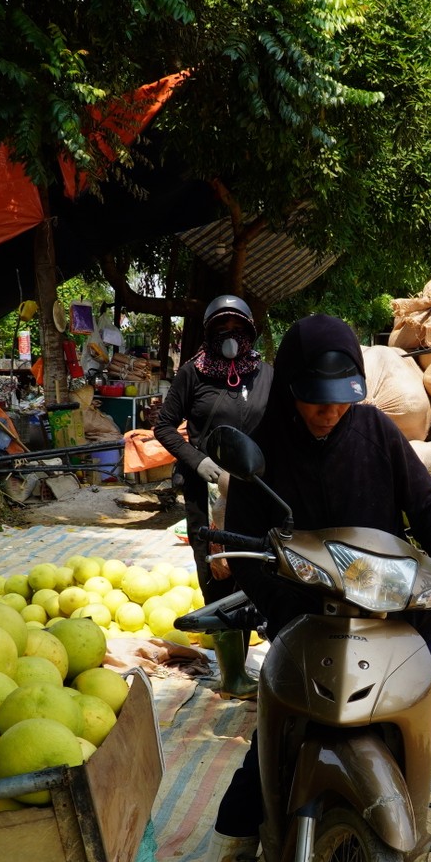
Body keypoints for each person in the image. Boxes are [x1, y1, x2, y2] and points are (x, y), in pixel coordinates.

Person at [166, 316, 431, 862]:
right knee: (266, 752)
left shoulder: (378, 433)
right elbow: (245, 547)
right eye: (315, 397)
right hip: (304, 615)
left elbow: (427, 506)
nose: (328, 411)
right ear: (291, 388)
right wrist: (281, 600)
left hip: (392, 613)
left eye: (340, 397)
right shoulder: (263, 440)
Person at [154, 295, 276, 697]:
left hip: (257, 492)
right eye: (221, 330)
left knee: (258, 569)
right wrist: (200, 462)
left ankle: (266, 661)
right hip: (206, 495)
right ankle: (233, 675)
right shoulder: (193, 374)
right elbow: (165, 426)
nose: (229, 337)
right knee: (218, 575)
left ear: (249, 333)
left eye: (236, 330)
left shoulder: (265, 375)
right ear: (209, 335)